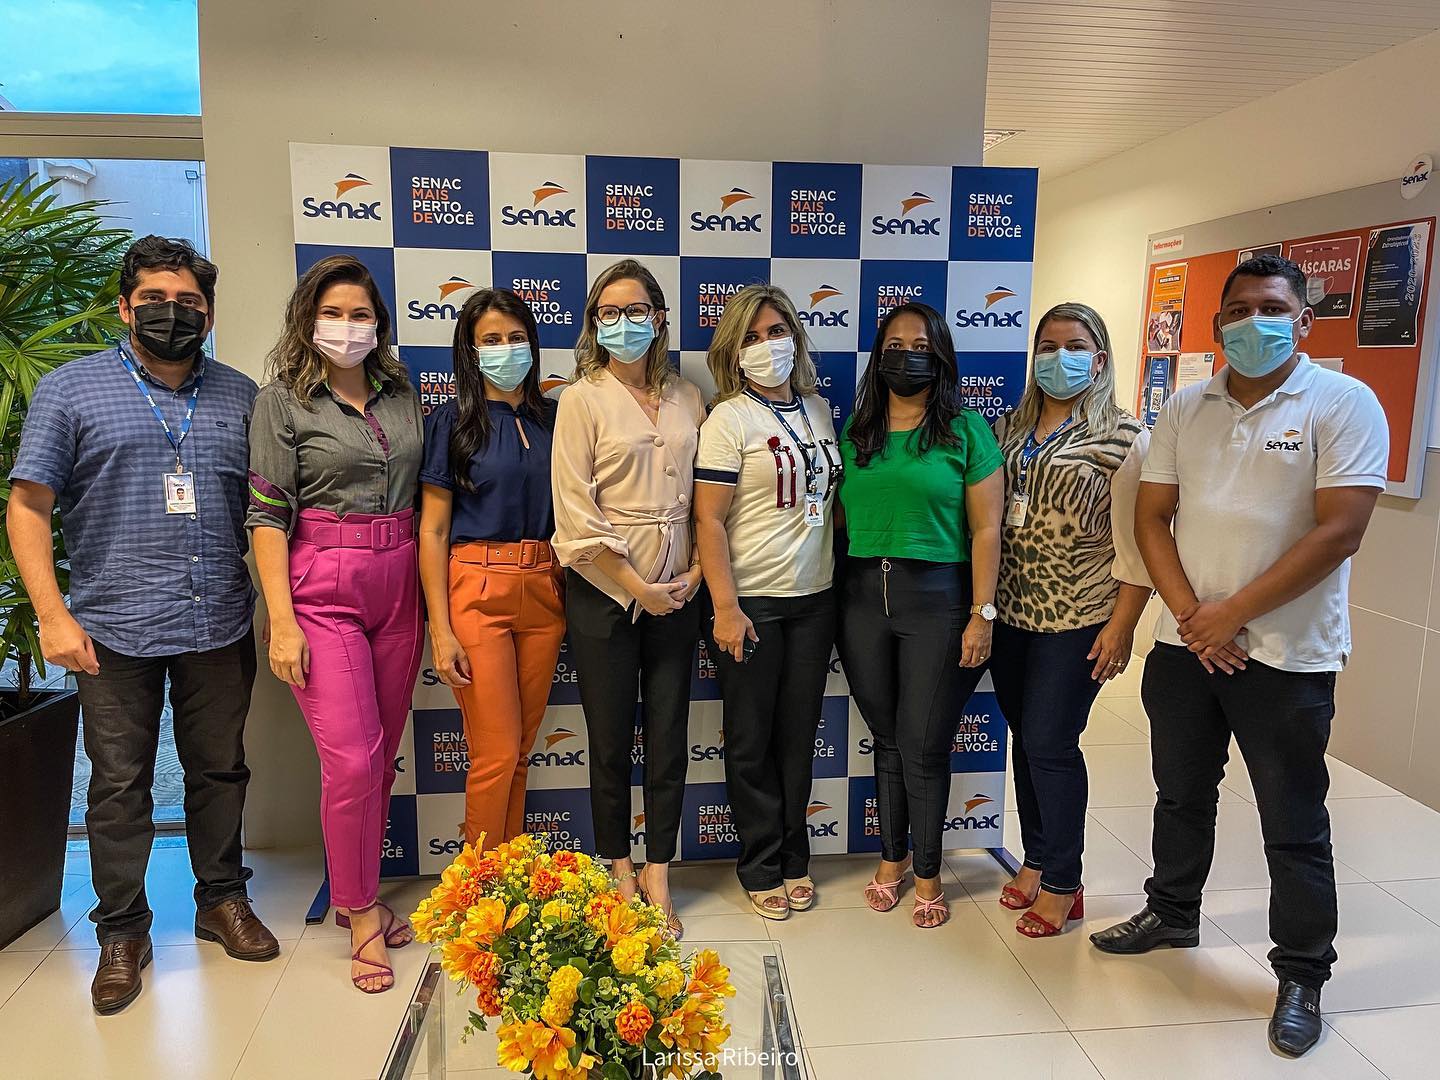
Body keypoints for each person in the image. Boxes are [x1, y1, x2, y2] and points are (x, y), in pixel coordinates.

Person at [1090, 255, 1388, 1057]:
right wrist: (1195, 620)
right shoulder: (1186, 407)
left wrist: (1231, 617)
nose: (1254, 322)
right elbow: (1152, 516)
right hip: (1187, 647)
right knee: (1180, 794)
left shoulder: (1343, 403)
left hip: (1286, 657)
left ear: (1304, 320)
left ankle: (1301, 974)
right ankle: (1172, 911)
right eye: (1238, 310)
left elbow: (1340, 530)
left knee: (1293, 821)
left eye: (1271, 307)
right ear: (1218, 324)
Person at [7, 235, 279, 1015]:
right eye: (155, 300)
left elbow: (266, 513)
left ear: (209, 314)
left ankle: (221, 899)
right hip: (111, 628)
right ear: (126, 308)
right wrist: (51, 616)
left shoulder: (242, 397)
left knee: (220, 770)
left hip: (218, 620)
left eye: (188, 302)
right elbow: (27, 505)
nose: (172, 314)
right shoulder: (70, 390)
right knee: (119, 785)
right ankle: (123, 931)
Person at [247, 254, 425, 994]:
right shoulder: (282, 401)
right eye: (332, 314)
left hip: (401, 585)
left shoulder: (401, 392)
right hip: (322, 588)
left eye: (360, 315)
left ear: (379, 323)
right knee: (351, 761)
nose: (347, 327)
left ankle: (366, 891)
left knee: (379, 762)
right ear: (307, 321)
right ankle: (358, 913)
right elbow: (265, 515)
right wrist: (282, 621)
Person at [551, 259, 705, 939]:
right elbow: (574, 510)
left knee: (669, 736)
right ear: (593, 324)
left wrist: (696, 572)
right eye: (608, 313)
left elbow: (708, 495)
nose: (623, 323)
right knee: (610, 739)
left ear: (659, 317)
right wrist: (636, 586)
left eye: (635, 310)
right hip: (604, 595)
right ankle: (618, 866)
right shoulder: (580, 400)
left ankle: (659, 870)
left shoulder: (689, 396)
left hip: (681, 593)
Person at [837, 301, 1004, 929]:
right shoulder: (857, 432)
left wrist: (982, 612)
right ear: (878, 355)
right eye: (894, 345)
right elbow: (837, 521)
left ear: (940, 358)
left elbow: (987, 530)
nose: (906, 355)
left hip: (938, 599)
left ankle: (929, 874)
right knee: (887, 739)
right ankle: (893, 859)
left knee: (924, 742)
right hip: (860, 599)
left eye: (920, 346)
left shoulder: (966, 431)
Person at [989, 302, 1152, 938]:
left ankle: (1064, 882)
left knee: (1052, 744)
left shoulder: (1124, 438)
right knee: (1025, 741)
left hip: (1079, 615)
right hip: (1010, 612)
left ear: (1100, 358)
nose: (1060, 358)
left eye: (1075, 346)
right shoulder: (1008, 429)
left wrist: (1122, 625)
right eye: (1049, 347)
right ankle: (1036, 859)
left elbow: (1137, 545)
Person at [693, 284, 842, 921]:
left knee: (797, 738)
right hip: (750, 601)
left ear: (796, 338)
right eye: (751, 337)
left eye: (776, 331)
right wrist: (725, 607)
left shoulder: (818, 409)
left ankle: (795, 857)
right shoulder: (728, 419)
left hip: (815, 600)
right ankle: (759, 865)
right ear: (734, 350)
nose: (766, 345)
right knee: (752, 741)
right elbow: (708, 521)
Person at [417, 288, 562, 850]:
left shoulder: (556, 418)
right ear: (471, 350)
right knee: (495, 750)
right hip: (476, 588)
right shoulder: (451, 422)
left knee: (520, 750)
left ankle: (509, 877)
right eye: (492, 340)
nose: (507, 349)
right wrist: (441, 628)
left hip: (545, 585)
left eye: (516, 337)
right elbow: (432, 530)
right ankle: (478, 885)